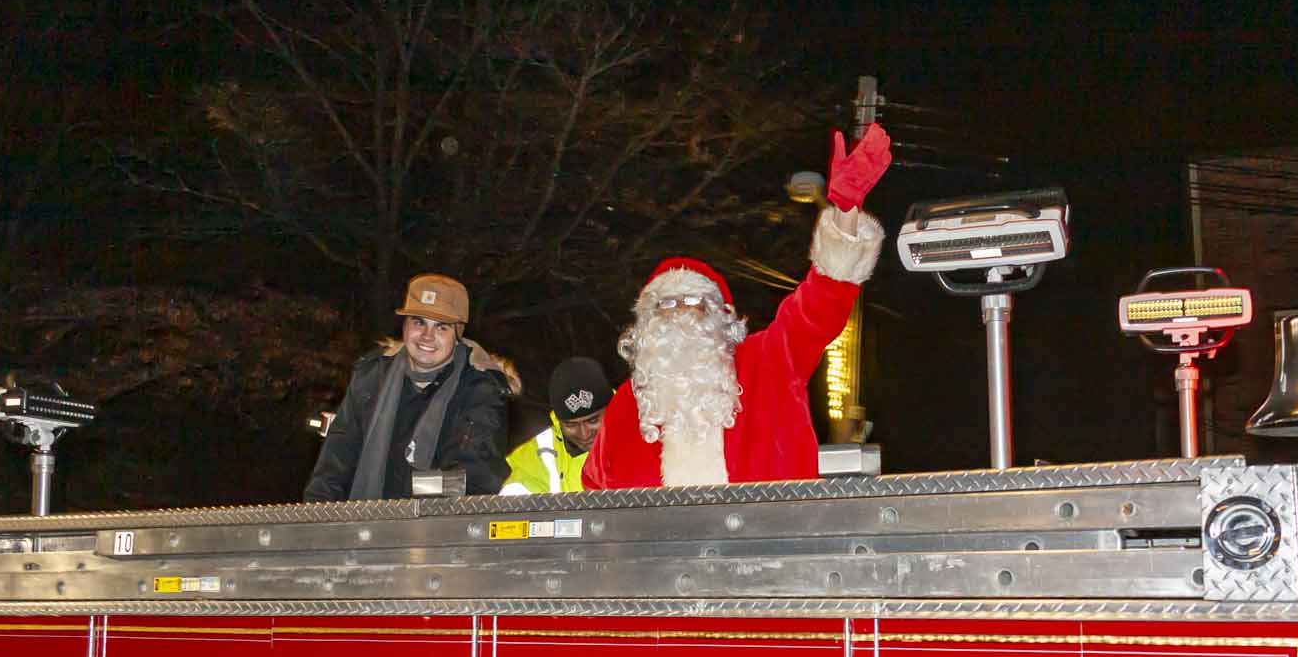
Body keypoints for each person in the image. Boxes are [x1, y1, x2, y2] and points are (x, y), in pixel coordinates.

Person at [582, 124, 891, 489]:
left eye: (695, 302)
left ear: (720, 318)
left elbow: (818, 309)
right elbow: (596, 500)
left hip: (764, 542)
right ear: (646, 325)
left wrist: (844, 212)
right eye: (665, 305)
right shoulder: (626, 410)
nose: (680, 312)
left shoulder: (768, 364)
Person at [304, 274, 516, 501]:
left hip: (433, 528)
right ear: (405, 326)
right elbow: (334, 465)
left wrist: (411, 508)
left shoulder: (480, 390)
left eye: (441, 327)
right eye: (418, 322)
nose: (427, 336)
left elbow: (474, 478)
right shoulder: (371, 377)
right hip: (362, 526)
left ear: (457, 335)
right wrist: (315, 522)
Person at [501, 357, 615, 495]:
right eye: (571, 425)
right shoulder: (538, 453)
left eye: (593, 421)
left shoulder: (641, 436)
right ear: (558, 420)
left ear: (611, 409)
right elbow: (512, 508)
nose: (584, 434)